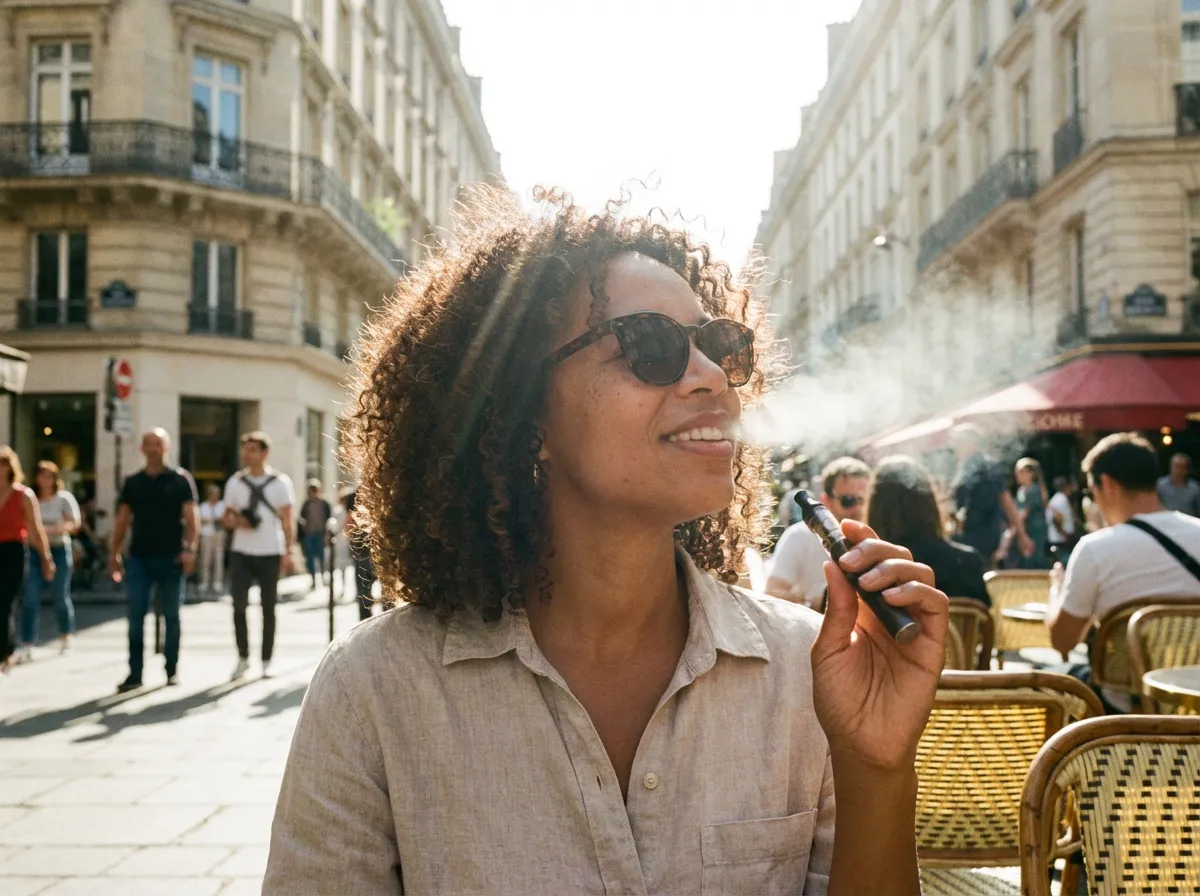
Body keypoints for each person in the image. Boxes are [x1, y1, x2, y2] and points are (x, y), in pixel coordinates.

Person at [263, 189, 948, 894]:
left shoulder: (810, 670)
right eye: (651, 347)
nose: (713, 378)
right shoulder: (374, 692)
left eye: (721, 348)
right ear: (523, 411)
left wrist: (877, 767)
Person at [1046, 432, 1200, 712]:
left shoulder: (1095, 549)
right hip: (1192, 703)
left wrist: (1057, 589)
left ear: (1105, 483)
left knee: (1052, 678)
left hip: (1125, 713)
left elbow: (1063, 641)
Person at [108, 429, 199, 692]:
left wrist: (190, 550)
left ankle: (171, 669)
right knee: (135, 616)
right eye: (148, 444)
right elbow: (122, 519)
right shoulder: (133, 482)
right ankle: (135, 673)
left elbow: (192, 519)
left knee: (172, 615)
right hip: (139, 559)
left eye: (157, 444)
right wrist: (113, 553)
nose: (153, 449)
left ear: (166, 447)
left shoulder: (180, 480)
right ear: (142, 449)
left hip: (172, 559)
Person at [866, 455, 989, 606]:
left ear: (875, 507)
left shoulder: (868, 570)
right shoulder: (967, 562)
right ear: (929, 502)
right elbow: (986, 623)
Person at [222, 432, 295, 680]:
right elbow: (226, 517)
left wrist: (289, 551)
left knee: (268, 607)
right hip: (242, 551)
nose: (247, 454)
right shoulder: (235, 482)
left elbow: (287, 520)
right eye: (245, 449)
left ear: (265, 453)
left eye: (253, 449)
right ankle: (243, 657)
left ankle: (266, 660)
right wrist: (238, 521)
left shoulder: (280, 482)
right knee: (238, 605)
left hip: (270, 551)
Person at [765, 457, 871, 608]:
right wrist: (817, 601)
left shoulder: (874, 535)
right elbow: (771, 593)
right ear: (826, 500)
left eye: (865, 501)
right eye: (848, 500)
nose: (859, 510)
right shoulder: (799, 536)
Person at [0, 447, 54, 674]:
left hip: (13, 551)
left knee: (5, 602)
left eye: (2, 463)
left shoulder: (23, 495)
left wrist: (46, 558)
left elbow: (36, 530)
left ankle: (6, 651)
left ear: (10, 467)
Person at [20, 461, 80, 658]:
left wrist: (48, 530)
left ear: (55, 479)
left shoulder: (63, 499)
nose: (45, 480)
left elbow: (73, 523)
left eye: (49, 475)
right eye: (41, 475)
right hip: (34, 550)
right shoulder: (30, 498)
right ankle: (28, 642)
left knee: (60, 594)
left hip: (59, 550)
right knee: (30, 596)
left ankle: (66, 635)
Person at [950, 424, 1032, 568]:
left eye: (958, 442)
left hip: (984, 537)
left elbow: (1006, 500)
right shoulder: (963, 467)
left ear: (971, 442)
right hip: (966, 536)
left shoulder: (987, 466)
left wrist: (1022, 535)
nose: (954, 446)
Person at [342, 487, 375, 621]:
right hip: (379, 550)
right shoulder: (384, 489)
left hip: (361, 549)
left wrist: (351, 540)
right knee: (387, 597)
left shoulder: (355, 495)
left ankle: (366, 621)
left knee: (363, 593)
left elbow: (348, 522)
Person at [1012, 457, 1050, 569]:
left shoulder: (1034, 490)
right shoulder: (1021, 491)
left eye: (1021, 472)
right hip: (1024, 530)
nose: (1017, 475)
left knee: (1034, 562)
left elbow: (1023, 513)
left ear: (1031, 474)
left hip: (1034, 532)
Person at [298, 480, 332, 590]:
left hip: (321, 533)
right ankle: (313, 579)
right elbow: (301, 518)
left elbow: (329, 518)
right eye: (311, 490)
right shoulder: (306, 504)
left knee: (322, 556)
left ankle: (323, 577)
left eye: (315, 489)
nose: (314, 492)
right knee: (310, 558)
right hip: (309, 534)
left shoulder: (325, 503)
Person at [197, 484, 226, 598]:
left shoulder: (222, 505)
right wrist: (212, 519)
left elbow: (223, 518)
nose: (215, 497)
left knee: (218, 558)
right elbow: (200, 520)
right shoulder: (203, 506)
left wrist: (212, 519)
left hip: (218, 534)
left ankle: (217, 582)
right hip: (206, 534)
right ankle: (204, 582)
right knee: (205, 558)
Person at [1046, 475, 1079, 565]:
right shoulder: (1061, 499)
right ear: (1067, 486)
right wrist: (1063, 533)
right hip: (1060, 539)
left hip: (1059, 537)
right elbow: (1055, 519)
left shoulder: (1058, 498)